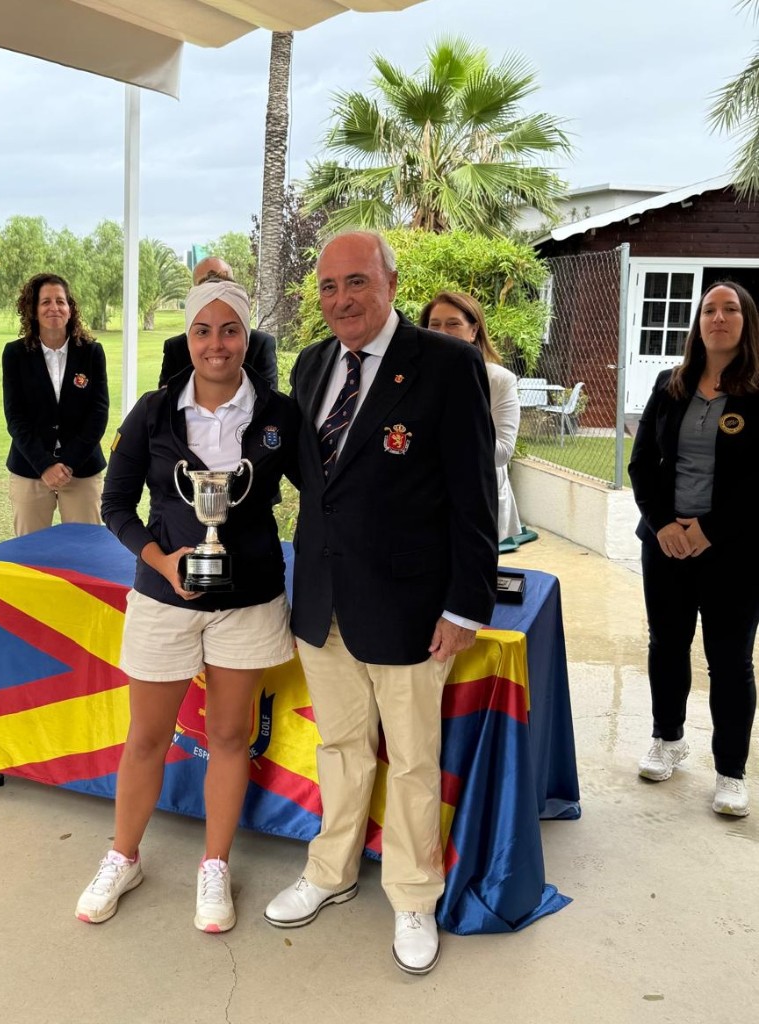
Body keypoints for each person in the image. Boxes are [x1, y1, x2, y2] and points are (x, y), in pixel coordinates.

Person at [264, 231, 498, 975]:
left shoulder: (446, 364)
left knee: (411, 762)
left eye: (355, 282)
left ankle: (411, 894)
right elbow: (315, 483)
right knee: (338, 748)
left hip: (409, 607)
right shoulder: (309, 365)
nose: (340, 301)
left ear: (390, 285)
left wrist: (465, 605)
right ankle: (329, 872)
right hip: (323, 600)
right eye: (328, 287)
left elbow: (473, 494)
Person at [75, 278, 299, 933]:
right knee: (145, 738)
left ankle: (214, 866)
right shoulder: (151, 412)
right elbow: (114, 506)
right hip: (162, 601)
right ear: (187, 338)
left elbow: (325, 491)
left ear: (247, 338)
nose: (217, 344)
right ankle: (123, 856)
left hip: (250, 601)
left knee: (229, 738)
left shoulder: (278, 414)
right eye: (203, 331)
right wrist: (160, 560)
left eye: (230, 330)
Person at [629, 280, 759, 817]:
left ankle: (730, 770)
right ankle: (668, 738)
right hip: (665, 546)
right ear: (697, 323)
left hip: (735, 551)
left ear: (747, 322)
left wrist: (707, 530)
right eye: (709, 309)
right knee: (667, 645)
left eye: (730, 309)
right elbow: (642, 465)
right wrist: (663, 525)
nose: (719, 317)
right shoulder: (671, 385)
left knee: (730, 661)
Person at [2, 273, 109, 536]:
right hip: (30, 470)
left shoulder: (92, 353)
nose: (54, 308)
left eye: (60, 301)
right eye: (46, 302)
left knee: (86, 554)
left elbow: (98, 414)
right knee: (31, 557)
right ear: (33, 310)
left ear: (70, 309)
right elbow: (15, 417)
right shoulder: (15, 354)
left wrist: (68, 463)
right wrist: (45, 465)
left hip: (82, 471)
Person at [421, 291, 522, 542]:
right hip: (421, 502)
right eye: (434, 325)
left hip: (475, 501)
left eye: (453, 324)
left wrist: (456, 426)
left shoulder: (498, 381)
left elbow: (502, 453)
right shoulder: (410, 379)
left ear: (474, 331)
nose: (442, 332)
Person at [159, 257, 279, 389]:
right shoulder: (175, 348)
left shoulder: (261, 344)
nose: (216, 345)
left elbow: (269, 396)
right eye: (206, 284)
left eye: (230, 331)